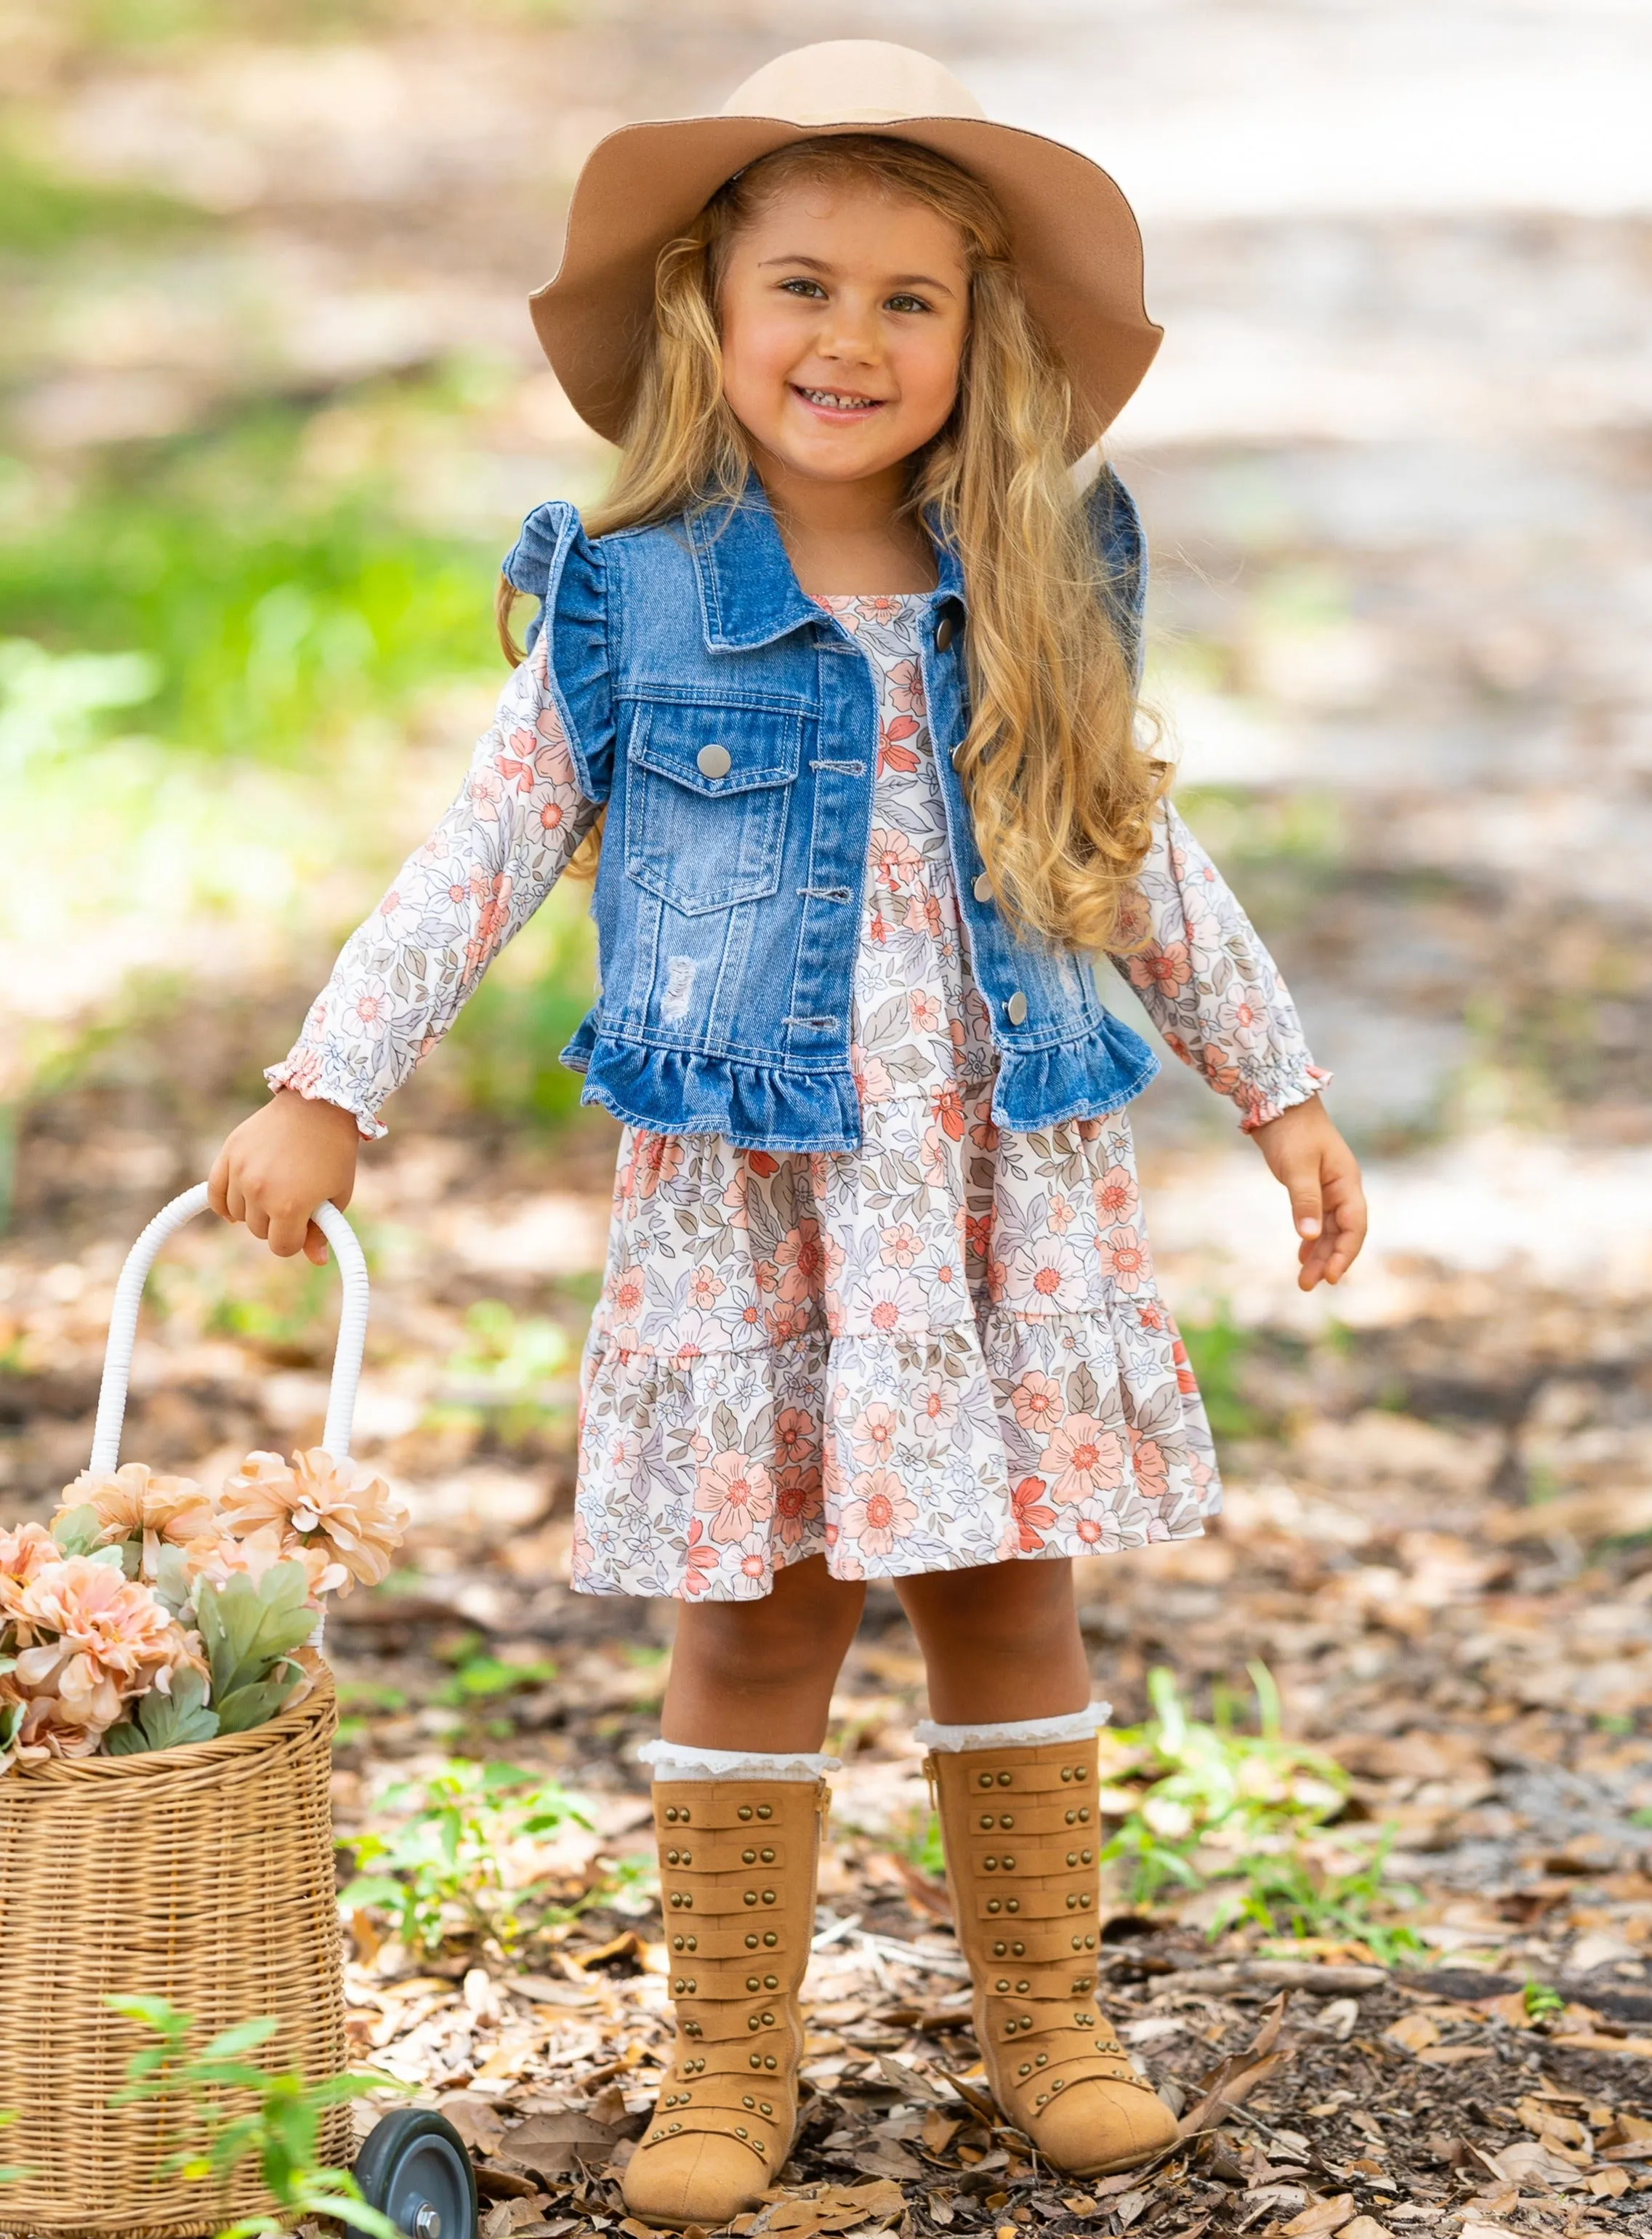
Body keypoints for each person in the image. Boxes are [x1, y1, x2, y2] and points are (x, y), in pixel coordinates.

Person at [210, 40, 1366, 2224]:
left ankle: (1051, 2027)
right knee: (760, 1614)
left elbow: (1134, 858)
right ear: (706, 315)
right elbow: (476, 859)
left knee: (1003, 1588)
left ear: (978, 336)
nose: (848, 338)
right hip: (755, 1210)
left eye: (907, 298)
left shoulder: (1029, 577)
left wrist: (1279, 1088)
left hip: (994, 1183)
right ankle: (727, 2065)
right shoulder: (627, 602)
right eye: (802, 288)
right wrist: (320, 1090)